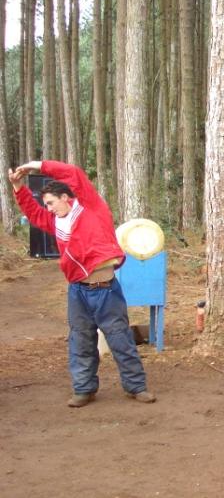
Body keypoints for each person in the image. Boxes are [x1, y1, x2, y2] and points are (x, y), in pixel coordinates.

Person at [8, 161, 156, 408]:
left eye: (52, 203)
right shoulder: (56, 222)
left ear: (65, 197)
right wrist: (18, 187)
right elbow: (33, 214)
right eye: (47, 205)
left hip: (106, 290)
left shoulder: (91, 208)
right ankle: (83, 389)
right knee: (81, 341)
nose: (49, 209)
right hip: (78, 292)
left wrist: (38, 165)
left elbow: (74, 174)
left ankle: (136, 387)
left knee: (120, 339)